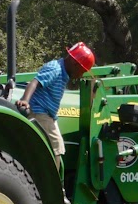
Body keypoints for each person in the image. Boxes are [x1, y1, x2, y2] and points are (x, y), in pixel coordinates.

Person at [19, 43, 96, 173]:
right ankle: (53, 183)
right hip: (39, 112)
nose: (81, 75)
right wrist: (25, 100)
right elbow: (35, 82)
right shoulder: (56, 69)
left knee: (55, 145)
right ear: (74, 63)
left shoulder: (62, 71)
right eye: (82, 71)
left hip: (49, 114)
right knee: (57, 146)